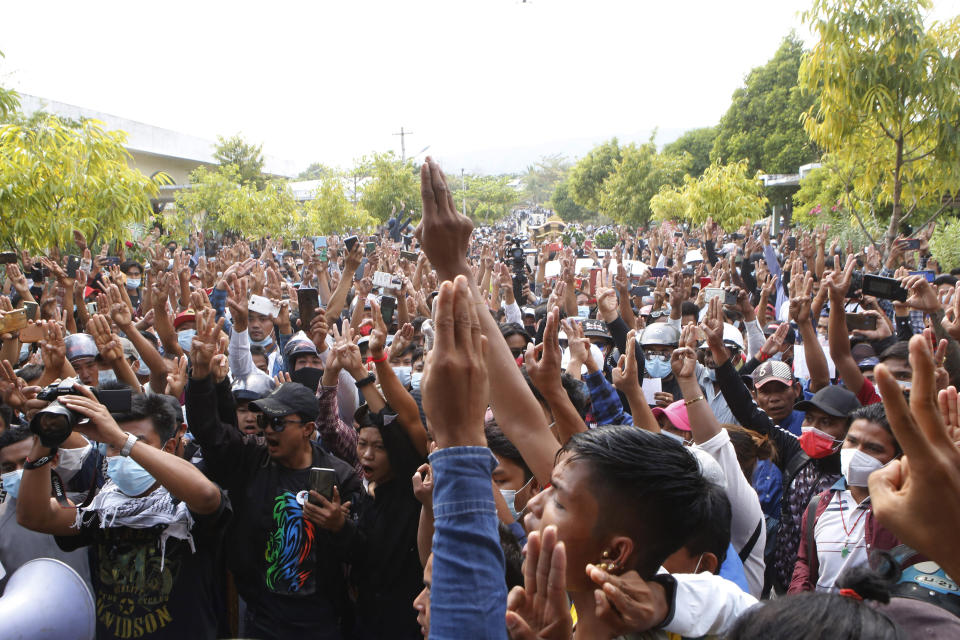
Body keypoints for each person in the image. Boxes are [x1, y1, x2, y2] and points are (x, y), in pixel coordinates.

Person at [184, 309, 361, 639]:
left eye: (278, 423)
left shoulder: (341, 477)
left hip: (321, 621)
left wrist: (340, 526)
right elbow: (209, 431)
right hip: (262, 618)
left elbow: (364, 553)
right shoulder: (252, 459)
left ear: (309, 429)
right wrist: (199, 374)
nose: (267, 430)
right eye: (264, 422)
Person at [16, 387, 228, 640]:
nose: (121, 453)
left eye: (138, 441)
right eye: (111, 447)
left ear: (169, 447)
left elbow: (206, 496)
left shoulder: (184, 506)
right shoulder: (103, 510)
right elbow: (34, 516)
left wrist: (121, 439)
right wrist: (45, 436)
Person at [789, 402, 908, 593]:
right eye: (852, 441)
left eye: (873, 448)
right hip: (822, 619)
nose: (857, 453)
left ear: (898, 458)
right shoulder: (819, 505)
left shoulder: (904, 512)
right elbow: (805, 565)